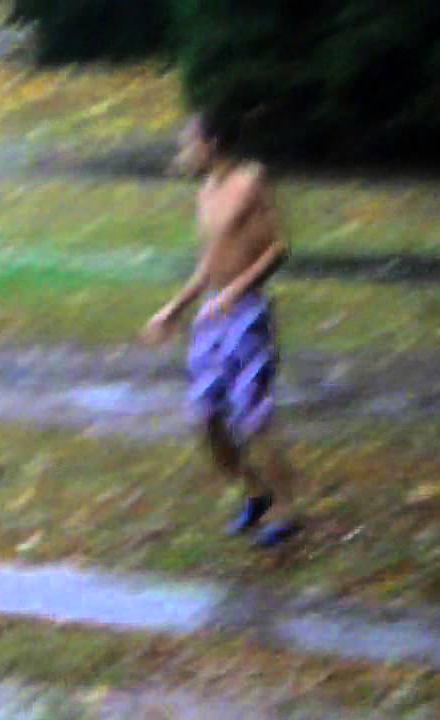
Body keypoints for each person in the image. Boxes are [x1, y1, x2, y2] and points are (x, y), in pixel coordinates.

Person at [140, 112, 303, 548]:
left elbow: (278, 248)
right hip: (212, 314)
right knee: (206, 417)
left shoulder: (250, 181)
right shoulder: (205, 192)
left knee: (253, 416)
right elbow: (208, 265)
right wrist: (174, 309)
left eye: (188, 143)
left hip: (245, 312)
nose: (183, 151)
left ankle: (286, 510)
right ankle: (255, 493)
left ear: (211, 144)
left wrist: (236, 290)